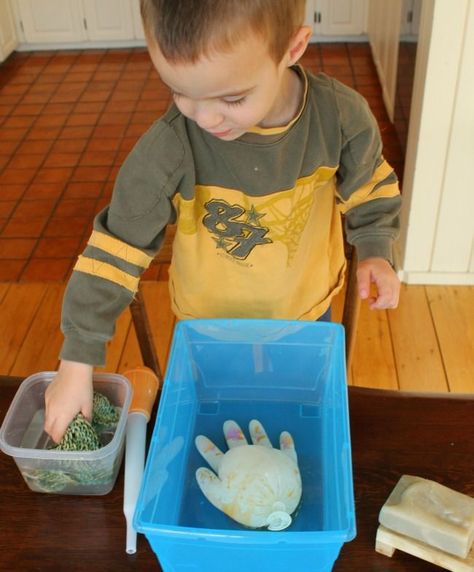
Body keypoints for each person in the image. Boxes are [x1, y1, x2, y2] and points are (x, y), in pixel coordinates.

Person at [44, 0, 401, 443]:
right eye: (179, 91)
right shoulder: (168, 149)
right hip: (208, 325)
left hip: (307, 311)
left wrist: (375, 248)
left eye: (232, 98)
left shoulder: (341, 119)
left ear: (293, 48)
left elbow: (371, 188)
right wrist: (76, 362)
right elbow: (113, 252)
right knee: (222, 423)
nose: (205, 118)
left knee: (296, 419)